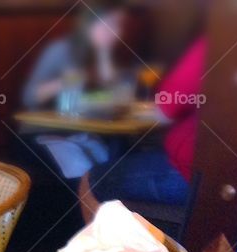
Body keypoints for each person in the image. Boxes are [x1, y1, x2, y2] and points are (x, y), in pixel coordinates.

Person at [77, 36, 205, 223]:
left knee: (92, 180)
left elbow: (164, 110)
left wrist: (124, 107)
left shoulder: (217, 43)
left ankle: (107, 242)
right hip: (213, 176)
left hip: (193, 175)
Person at [21, 1, 130, 110]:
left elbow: (113, 97)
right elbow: (28, 97)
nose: (118, 33)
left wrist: (104, 55)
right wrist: (69, 80)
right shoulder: (61, 49)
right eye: (111, 24)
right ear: (90, 23)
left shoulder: (103, 53)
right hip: (47, 119)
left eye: (121, 25)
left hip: (85, 118)